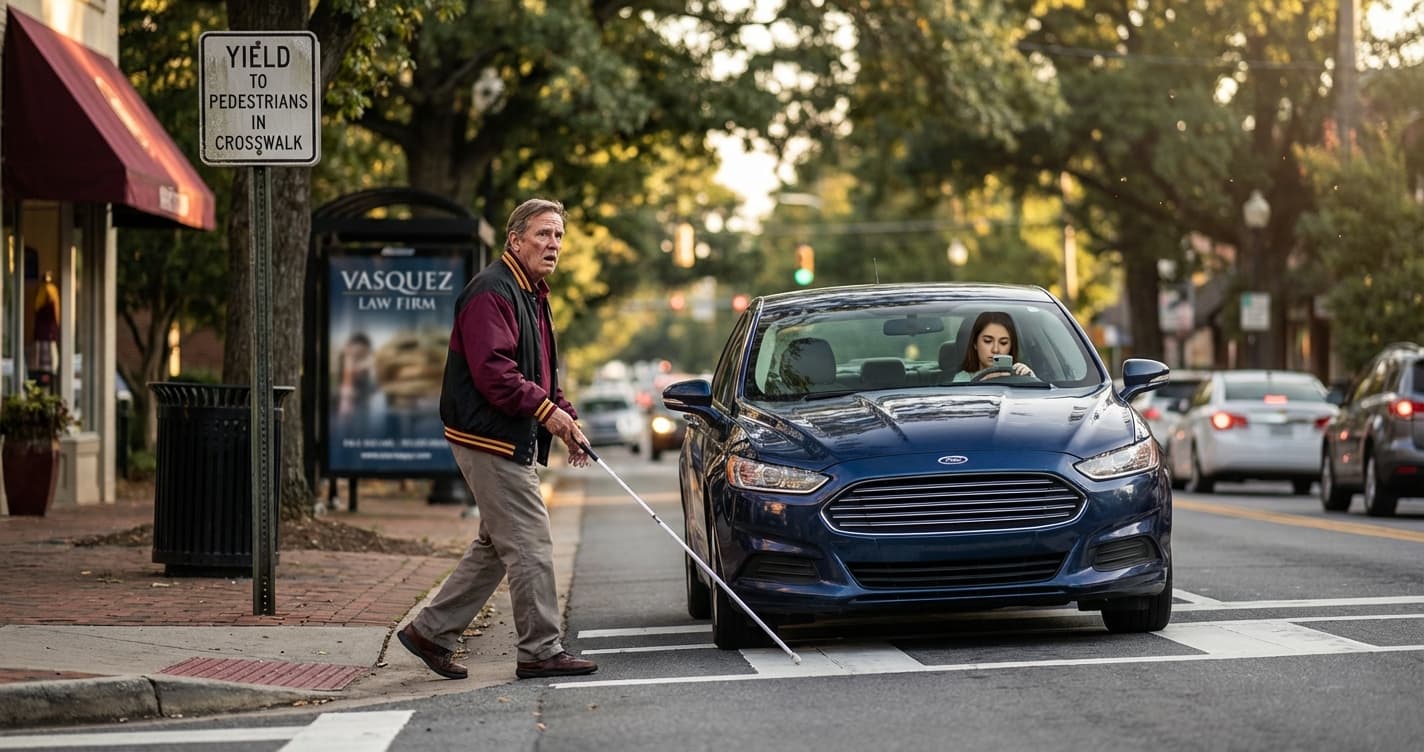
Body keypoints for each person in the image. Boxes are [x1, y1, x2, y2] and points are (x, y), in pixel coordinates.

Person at [397, 198, 597, 681]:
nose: (553, 245)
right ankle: (540, 649)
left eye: (558, 237)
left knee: (495, 544)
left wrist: (565, 417)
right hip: (488, 437)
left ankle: (430, 632)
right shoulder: (493, 291)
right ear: (515, 239)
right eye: (543, 234)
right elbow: (494, 373)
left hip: (505, 435)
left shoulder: (532, 294)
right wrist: (546, 412)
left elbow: (541, 374)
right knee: (529, 543)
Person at [952, 311, 1035, 382]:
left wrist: (1030, 379)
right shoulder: (962, 379)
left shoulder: (1020, 374)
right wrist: (979, 384)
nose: (995, 349)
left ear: (1011, 346)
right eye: (988, 341)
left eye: (1003, 343)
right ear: (975, 343)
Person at [32, 270, 60, 376]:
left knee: (50, 349)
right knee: (43, 349)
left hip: (48, 328)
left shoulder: (50, 290)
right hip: (44, 328)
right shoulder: (43, 290)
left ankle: (50, 369)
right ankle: (44, 368)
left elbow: (54, 310)